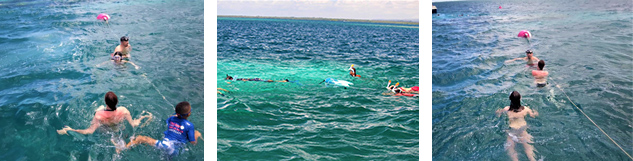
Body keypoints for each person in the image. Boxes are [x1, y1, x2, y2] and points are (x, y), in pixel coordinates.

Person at [123, 101, 203, 157]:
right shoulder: (190, 125)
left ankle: (124, 148)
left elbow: (171, 117)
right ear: (189, 114)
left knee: (140, 138)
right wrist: (197, 134)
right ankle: (123, 149)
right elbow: (193, 142)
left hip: (166, 145)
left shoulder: (171, 119)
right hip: (174, 149)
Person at [57, 91, 153, 135]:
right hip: (119, 129)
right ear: (117, 102)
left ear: (106, 102)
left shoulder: (98, 115)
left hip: (106, 132)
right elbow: (133, 124)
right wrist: (142, 118)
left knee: (99, 109)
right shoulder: (124, 110)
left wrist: (71, 130)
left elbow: (89, 131)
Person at [495, 91, 539, 161]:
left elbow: (498, 113)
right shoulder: (526, 109)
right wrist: (535, 112)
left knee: (511, 150)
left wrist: (498, 111)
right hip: (522, 129)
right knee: (528, 150)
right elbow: (533, 116)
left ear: (510, 99)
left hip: (512, 131)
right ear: (520, 98)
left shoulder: (507, 109)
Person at [225, 75, 289, 82]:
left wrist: (245, 81)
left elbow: (244, 80)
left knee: (267, 81)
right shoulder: (237, 79)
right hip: (254, 79)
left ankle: (284, 81)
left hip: (254, 80)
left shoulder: (235, 80)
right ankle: (283, 81)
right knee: (265, 81)